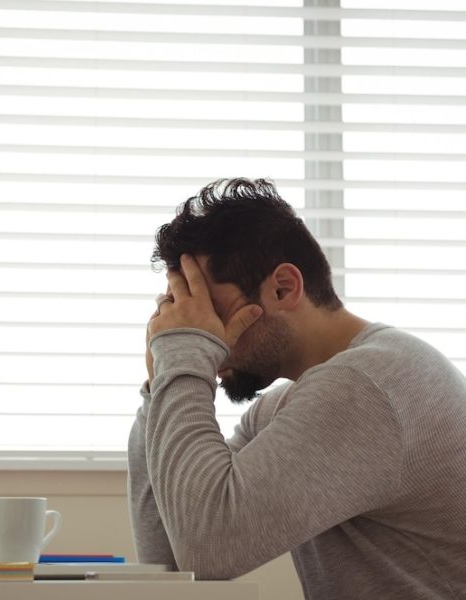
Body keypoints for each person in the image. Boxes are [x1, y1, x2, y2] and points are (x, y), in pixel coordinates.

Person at [127, 177, 466, 599]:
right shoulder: (290, 406)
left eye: (211, 312)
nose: (207, 335)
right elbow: (177, 562)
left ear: (283, 288)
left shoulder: (367, 386)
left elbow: (208, 550)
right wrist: (160, 382)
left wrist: (185, 358)